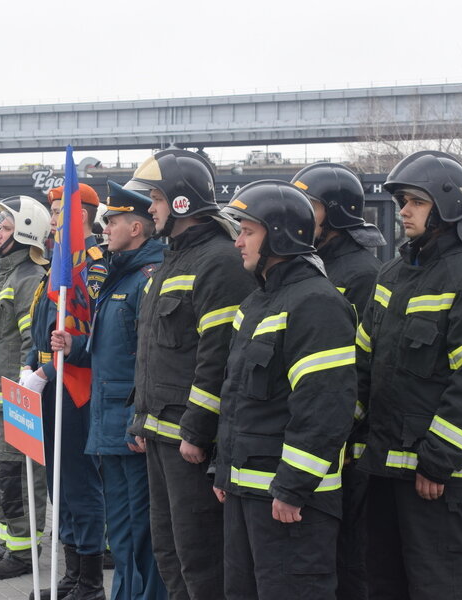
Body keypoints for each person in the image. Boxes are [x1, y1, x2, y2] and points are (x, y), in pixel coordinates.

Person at [355, 151, 462, 600]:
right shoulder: (391, 276)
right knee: (383, 586)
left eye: (415, 201)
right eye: (402, 201)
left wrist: (439, 460)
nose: (403, 211)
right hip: (383, 474)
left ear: (446, 209)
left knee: (440, 588)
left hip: (439, 485)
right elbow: (363, 365)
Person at [214, 180, 356, 599]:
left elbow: (325, 406)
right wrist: (224, 470)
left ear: (279, 235)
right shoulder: (257, 304)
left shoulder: (317, 303)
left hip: (290, 503)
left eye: (247, 231)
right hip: (246, 492)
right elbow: (235, 398)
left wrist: (293, 487)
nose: (238, 241)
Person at [126, 149, 256, 600]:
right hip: (161, 436)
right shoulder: (171, 262)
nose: (151, 208)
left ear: (182, 202)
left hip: (189, 444)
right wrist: (140, 418)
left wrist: (198, 433)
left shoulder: (219, 263)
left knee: (201, 559)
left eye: (157, 198)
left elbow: (217, 359)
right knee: (170, 552)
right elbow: (152, 353)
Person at [53, 180, 167, 600]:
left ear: (136, 227)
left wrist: (141, 418)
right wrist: (76, 346)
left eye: (114, 220)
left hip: (131, 427)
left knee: (141, 531)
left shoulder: (147, 279)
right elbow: (111, 350)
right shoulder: (121, 277)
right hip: (109, 423)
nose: (106, 227)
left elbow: (151, 360)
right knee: (121, 533)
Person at [291, 162, 385, 600]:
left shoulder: (360, 273)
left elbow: (361, 366)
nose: (299, 215)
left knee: (352, 561)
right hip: (323, 440)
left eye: (309, 206)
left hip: (350, 447)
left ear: (336, 213)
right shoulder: (318, 264)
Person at [24, 183, 108, 600]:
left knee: (78, 484)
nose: (53, 219)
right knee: (59, 486)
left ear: (82, 216)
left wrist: (47, 368)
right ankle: (72, 573)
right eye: (52, 211)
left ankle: (90, 580)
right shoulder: (56, 265)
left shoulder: (92, 267)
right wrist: (30, 365)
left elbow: (94, 334)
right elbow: (40, 327)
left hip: (74, 385)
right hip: (48, 383)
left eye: (59, 211)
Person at [0, 196, 50, 580]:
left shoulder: (29, 278)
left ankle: (22, 551)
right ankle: (8, 543)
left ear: (22, 233)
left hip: (12, 401)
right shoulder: (4, 277)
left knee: (16, 475)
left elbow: (28, 346)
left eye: (3, 227)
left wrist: (23, 397)